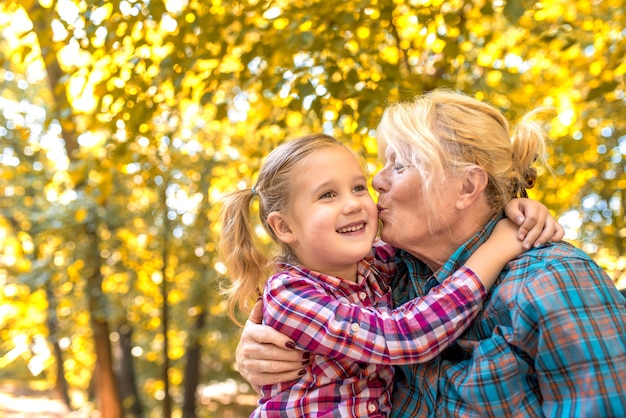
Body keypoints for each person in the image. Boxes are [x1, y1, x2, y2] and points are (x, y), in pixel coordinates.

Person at [234, 90, 626, 417]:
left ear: (467, 187)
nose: (376, 182)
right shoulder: (396, 277)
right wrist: (257, 349)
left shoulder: (554, 281)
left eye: (399, 165)